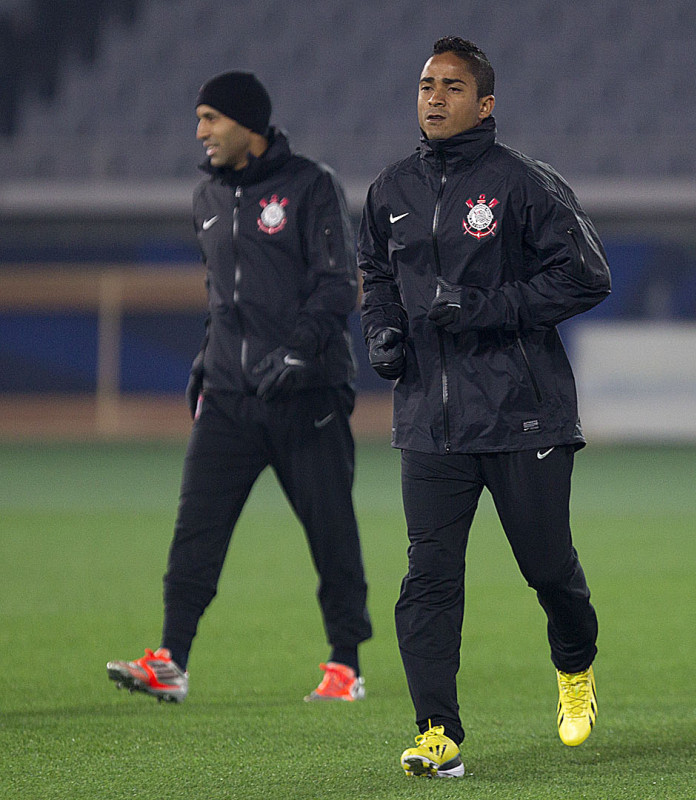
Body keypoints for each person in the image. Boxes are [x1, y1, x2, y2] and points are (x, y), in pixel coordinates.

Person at [357, 36, 610, 778]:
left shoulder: (523, 184)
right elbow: (375, 273)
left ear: (485, 104)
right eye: (427, 84)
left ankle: (575, 665)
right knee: (427, 576)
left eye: (453, 86)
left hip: (521, 413)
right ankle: (437, 731)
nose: (434, 97)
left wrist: (481, 306)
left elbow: (587, 277)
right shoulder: (390, 190)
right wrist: (381, 331)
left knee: (547, 566)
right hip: (429, 424)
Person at [106, 70, 372, 704]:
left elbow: (339, 284)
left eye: (210, 119)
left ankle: (345, 665)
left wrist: (299, 353)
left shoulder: (311, 186)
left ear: (248, 125)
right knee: (196, 527)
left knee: (330, 530)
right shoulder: (206, 199)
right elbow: (223, 298)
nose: (200, 133)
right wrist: (206, 358)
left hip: (306, 395)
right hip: (229, 396)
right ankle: (171, 659)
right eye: (199, 120)